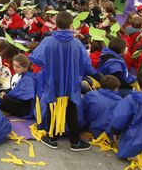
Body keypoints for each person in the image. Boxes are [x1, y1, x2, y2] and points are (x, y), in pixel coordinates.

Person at [30, 11, 94, 151]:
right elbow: (87, 64)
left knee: (53, 109)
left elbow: (36, 58)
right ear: (71, 25)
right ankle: (75, 141)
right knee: (72, 110)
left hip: (53, 82)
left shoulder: (48, 41)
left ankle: (52, 139)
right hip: (71, 84)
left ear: (56, 24)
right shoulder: (76, 43)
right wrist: (96, 75)